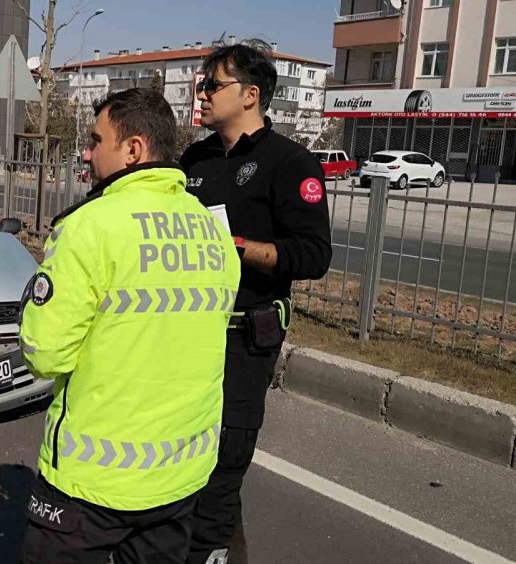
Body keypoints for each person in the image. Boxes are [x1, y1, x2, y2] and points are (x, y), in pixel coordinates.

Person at [19, 88, 241, 563]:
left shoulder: (88, 227)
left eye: (96, 140)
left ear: (134, 149)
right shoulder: (212, 232)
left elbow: (47, 353)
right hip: (180, 477)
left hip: (92, 483)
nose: (86, 152)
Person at [178, 40, 332, 564]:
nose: (201, 94)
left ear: (250, 95)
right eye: (201, 84)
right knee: (183, 453)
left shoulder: (289, 162)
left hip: (246, 336)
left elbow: (313, 255)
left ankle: (213, 552)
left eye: (211, 85)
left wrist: (240, 249)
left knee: (225, 459)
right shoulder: (194, 159)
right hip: (186, 332)